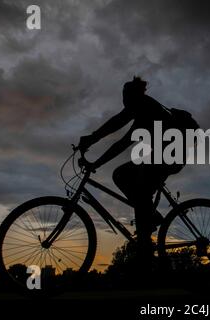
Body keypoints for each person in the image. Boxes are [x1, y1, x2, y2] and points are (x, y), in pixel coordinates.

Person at [78, 77, 184, 274]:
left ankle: (146, 240)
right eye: (123, 98)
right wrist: (92, 142)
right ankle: (148, 224)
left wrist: (95, 157)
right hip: (165, 153)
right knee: (122, 175)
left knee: (136, 184)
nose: (124, 103)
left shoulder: (145, 108)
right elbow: (117, 125)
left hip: (172, 153)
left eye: (126, 98)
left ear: (134, 96)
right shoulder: (142, 108)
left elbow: (121, 138)